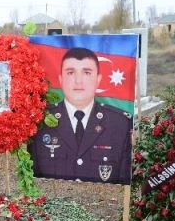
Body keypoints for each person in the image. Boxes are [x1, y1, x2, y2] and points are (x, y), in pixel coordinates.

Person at [30, 47, 132, 184]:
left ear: (98, 80)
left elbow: (124, 183)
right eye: (71, 72)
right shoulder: (39, 121)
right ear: (60, 79)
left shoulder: (120, 124)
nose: (78, 80)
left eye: (87, 73)